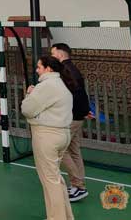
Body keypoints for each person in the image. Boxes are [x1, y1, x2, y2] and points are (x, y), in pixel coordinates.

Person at [21, 56, 75, 220]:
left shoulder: (46, 86)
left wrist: (30, 94)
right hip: (62, 134)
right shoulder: (61, 84)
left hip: (47, 136)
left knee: (50, 181)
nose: (37, 70)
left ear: (48, 69)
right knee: (55, 179)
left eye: (39, 67)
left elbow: (27, 109)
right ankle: (65, 216)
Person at [51, 43, 90, 203]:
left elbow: (71, 95)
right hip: (78, 116)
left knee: (61, 149)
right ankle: (77, 186)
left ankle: (78, 185)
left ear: (60, 55)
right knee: (74, 150)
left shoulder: (65, 71)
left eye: (53, 54)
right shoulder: (72, 69)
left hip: (71, 117)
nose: (51, 57)